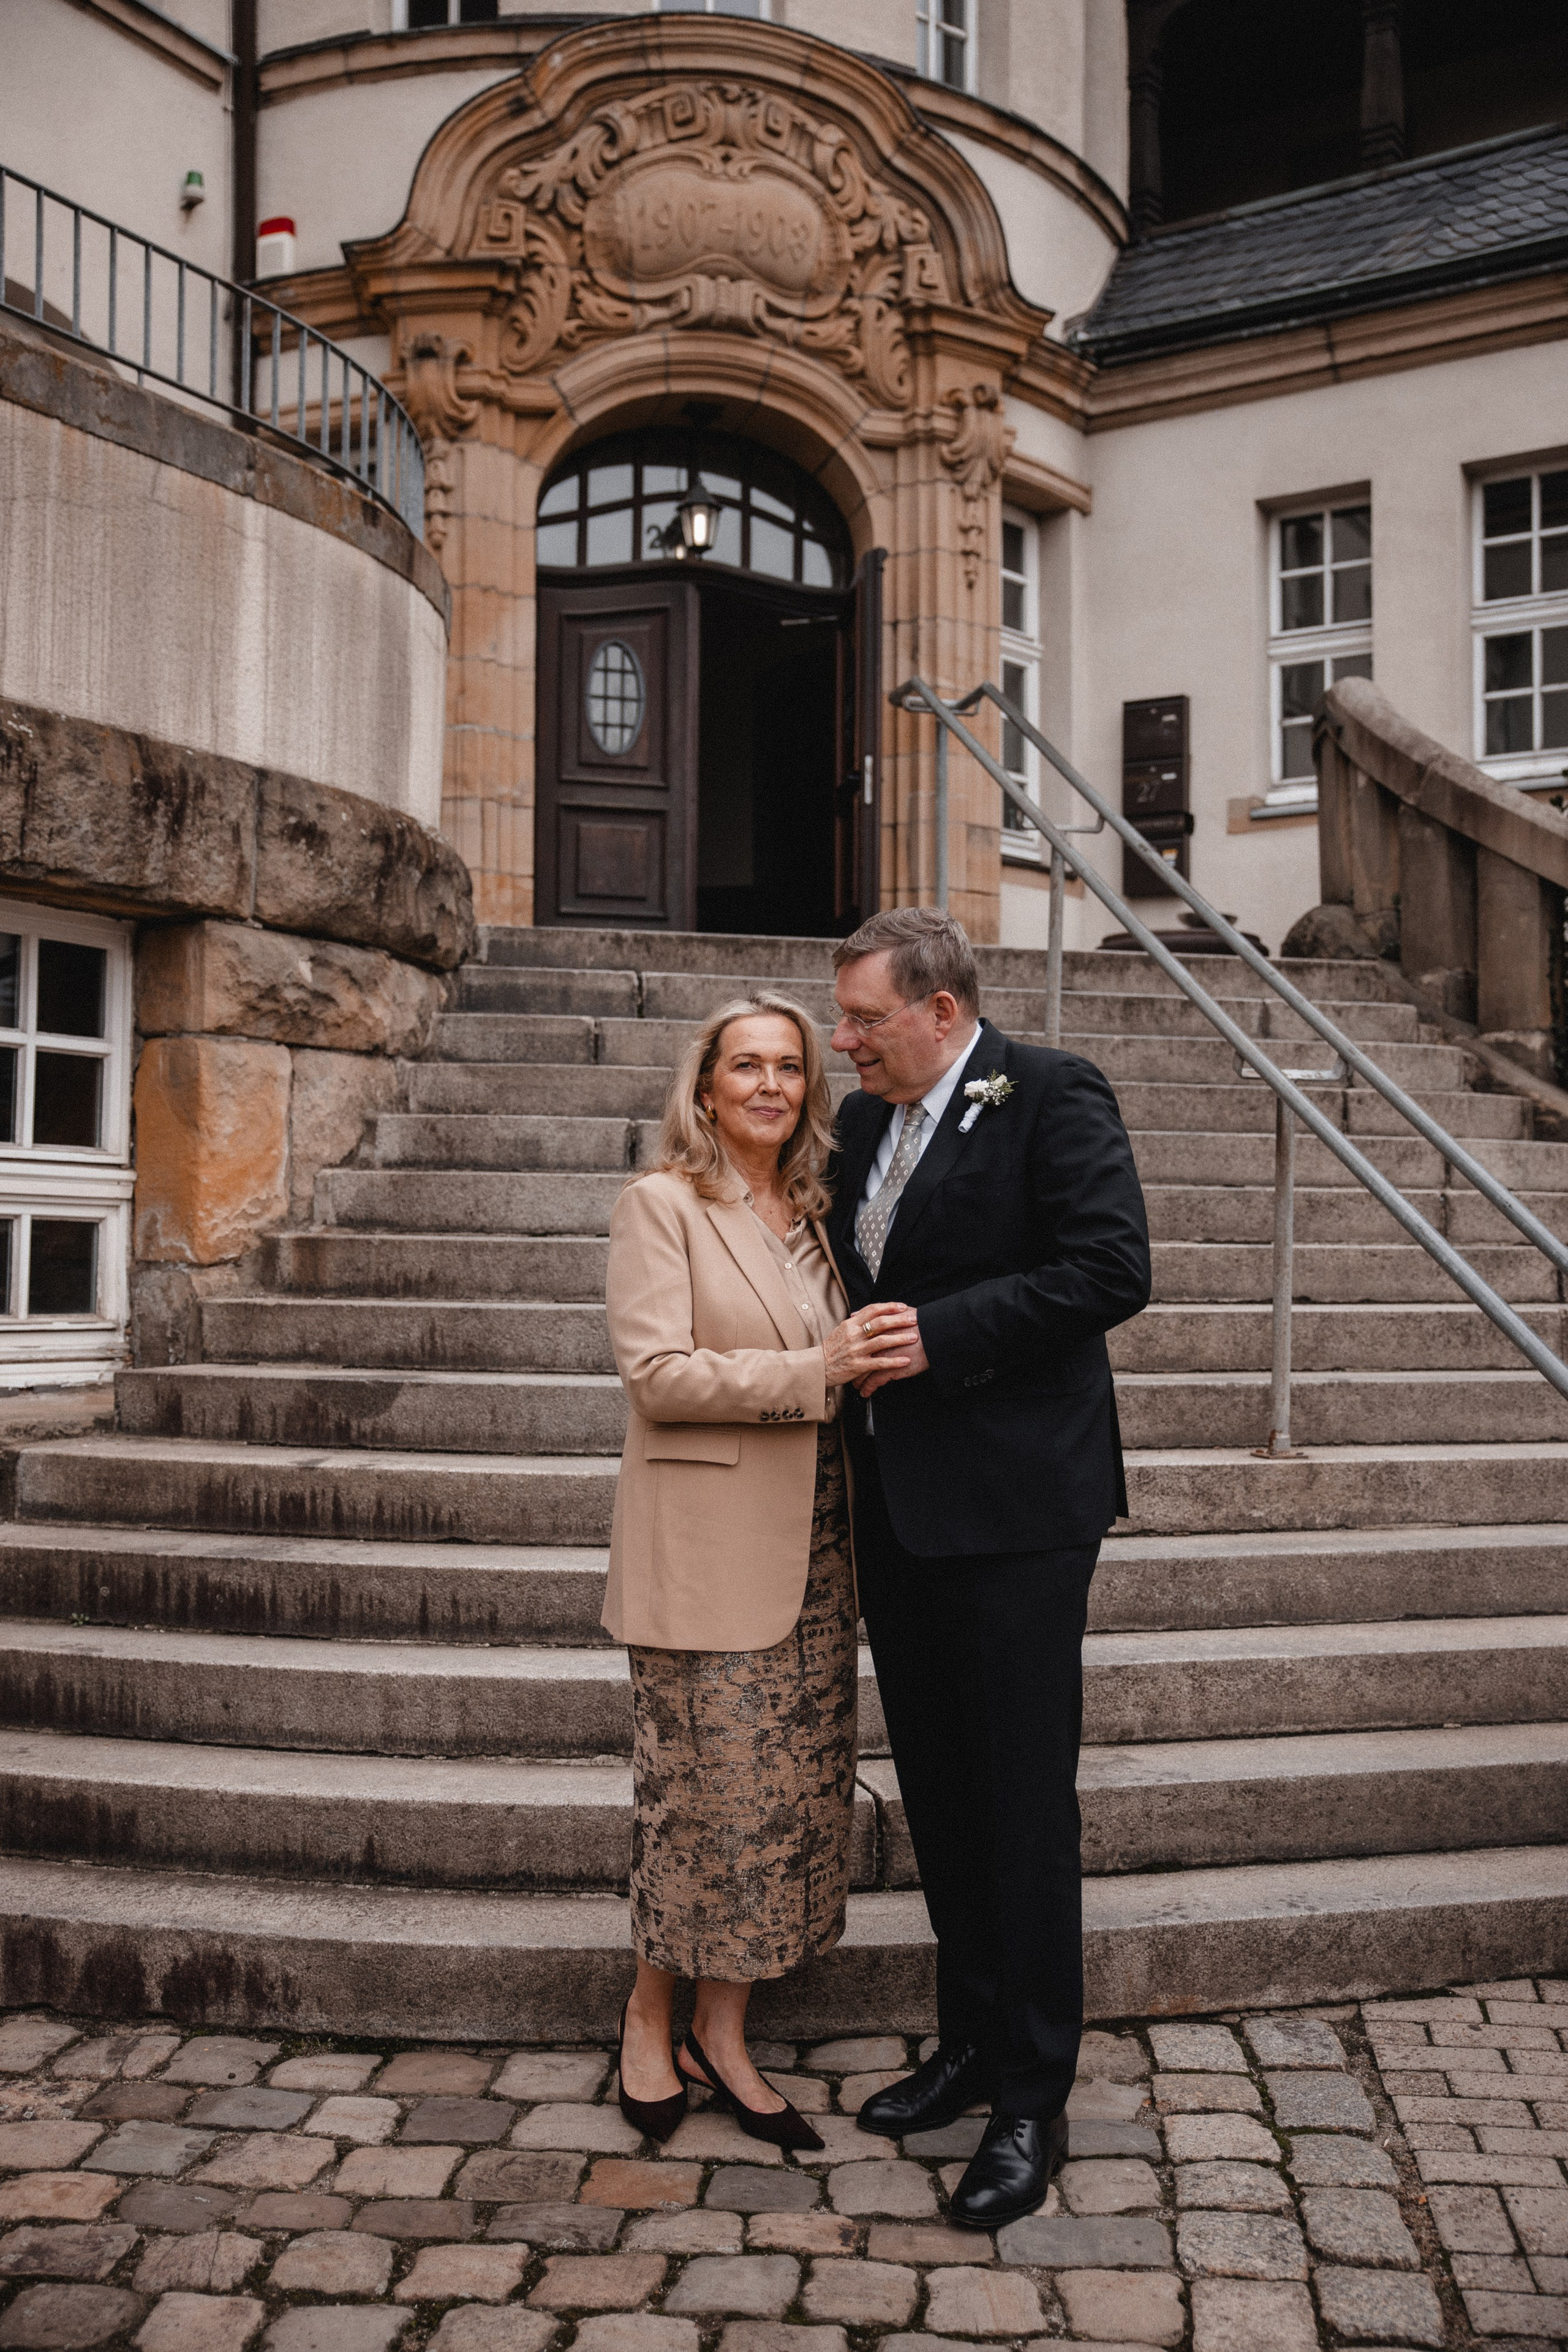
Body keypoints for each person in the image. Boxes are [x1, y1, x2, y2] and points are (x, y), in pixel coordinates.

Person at [826, 907, 1152, 2226]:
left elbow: (1109, 1268)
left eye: (861, 1017)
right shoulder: (857, 1126)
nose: (838, 1037)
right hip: (898, 1505)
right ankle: (963, 2043)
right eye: (838, 1016)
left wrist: (938, 1337)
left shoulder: (1051, 1092)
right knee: (943, 1795)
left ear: (941, 1012)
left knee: (1019, 1806)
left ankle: (1030, 2098)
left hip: (1020, 1509)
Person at [604, 992, 922, 2150]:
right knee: (698, 1804)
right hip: (705, 1557)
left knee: (785, 1808)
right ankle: (649, 2018)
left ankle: (723, 2035)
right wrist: (816, 1366)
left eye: (790, 1067)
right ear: (705, 1087)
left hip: (819, 1557)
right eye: (747, 1066)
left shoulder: (820, 1218)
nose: (771, 1086)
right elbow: (658, 1375)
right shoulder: (661, 1205)